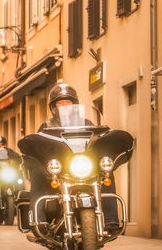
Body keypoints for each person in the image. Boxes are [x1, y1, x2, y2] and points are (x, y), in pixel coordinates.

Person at [30, 83, 120, 233]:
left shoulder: (88, 124)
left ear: (74, 104)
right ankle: (38, 220)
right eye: (60, 103)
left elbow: (99, 140)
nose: (65, 106)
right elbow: (38, 147)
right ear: (54, 107)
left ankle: (111, 220)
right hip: (59, 169)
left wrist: (108, 138)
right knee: (37, 171)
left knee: (107, 173)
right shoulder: (46, 126)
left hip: (83, 166)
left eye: (68, 102)